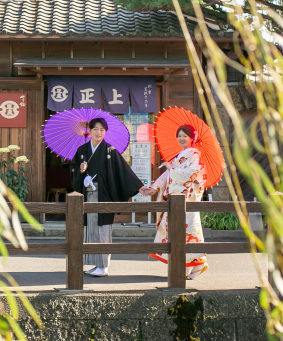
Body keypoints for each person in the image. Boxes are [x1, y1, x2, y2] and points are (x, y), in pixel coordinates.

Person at [70, 117, 143, 277]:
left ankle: (103, 266)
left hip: (104, 196)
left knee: (103, 231)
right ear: (89, 131)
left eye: (102, 129)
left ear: (105, 131)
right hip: (88, 197)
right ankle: (96, 264)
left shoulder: (110, 151)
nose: (98, 132)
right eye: (95, 129)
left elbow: (123, 172)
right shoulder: (82, 150)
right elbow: (73, 170)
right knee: (91, 230)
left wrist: (139, 187)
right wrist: (81, 172)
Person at [139, 124, 208, 279]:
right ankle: (187, 267)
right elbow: (167, 175)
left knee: (188, 233)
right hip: (176, 200)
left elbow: (192, 173)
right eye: (179, 136)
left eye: (185, 136)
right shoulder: (180, 155)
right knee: (178, 233)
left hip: (186, 200)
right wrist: (154, 187)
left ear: (192, 138)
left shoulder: (195, 155)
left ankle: (193, 265)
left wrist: (172, 168)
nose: (182, 138)